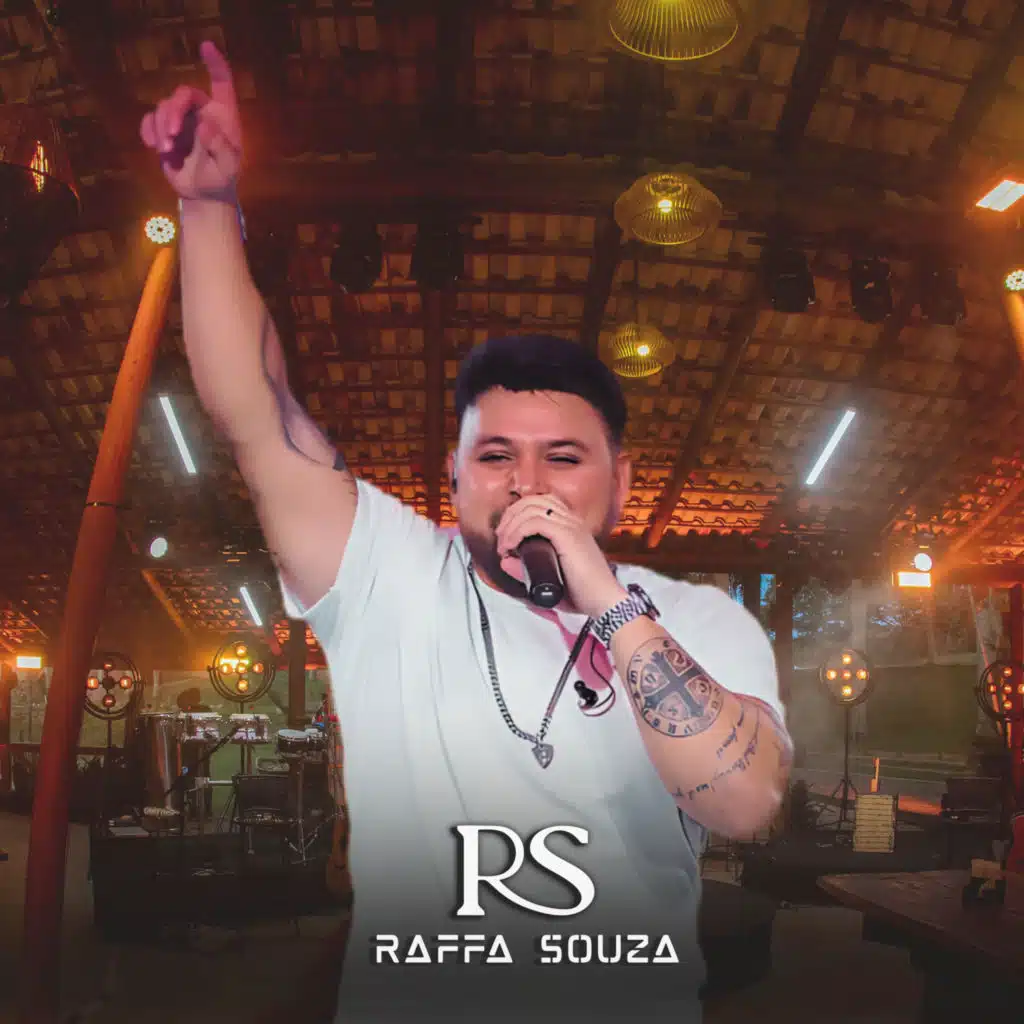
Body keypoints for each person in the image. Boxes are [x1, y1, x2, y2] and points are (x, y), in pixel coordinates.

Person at [141, 42, 792, 1023]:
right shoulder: (390, 575)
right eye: (495, 456)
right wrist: (206, 208)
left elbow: (745, 805)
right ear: (453, 478)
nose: (527, 482)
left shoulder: (700, 621)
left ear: (621, 483)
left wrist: (607, 602)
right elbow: (256, 414)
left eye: (563, 457)